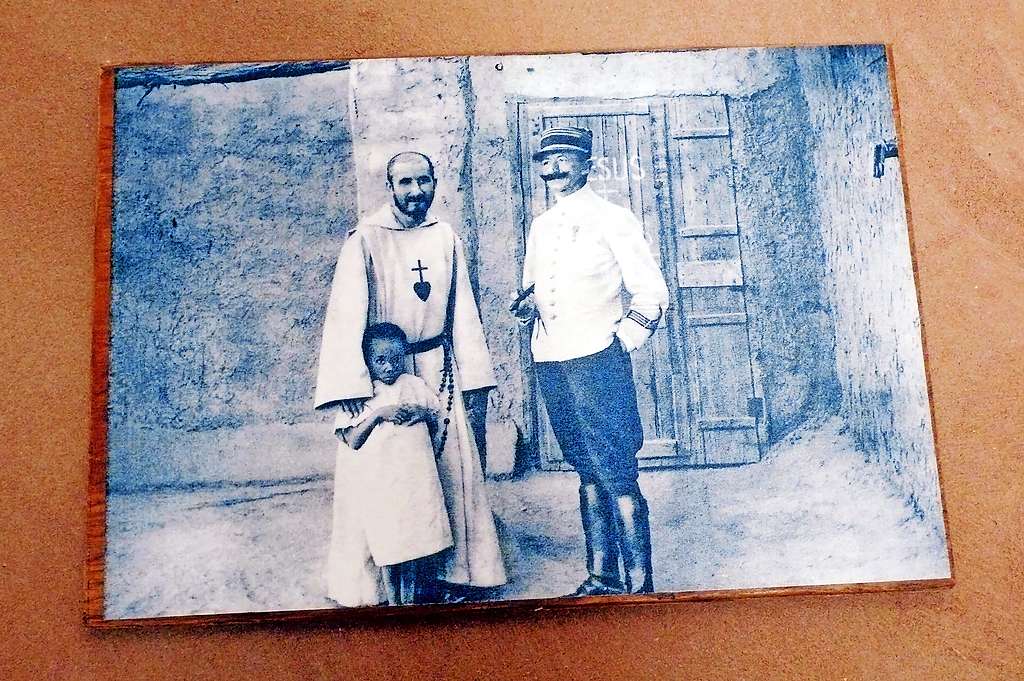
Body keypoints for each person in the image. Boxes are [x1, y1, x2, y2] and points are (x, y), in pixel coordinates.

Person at [316, 151, 506, 606]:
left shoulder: (445, 238)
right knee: (388, 479)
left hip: (437, 371)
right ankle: (377, 585)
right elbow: (346, 319)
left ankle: (457, 575)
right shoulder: (365, 239)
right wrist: (357, 394)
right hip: (385, 376)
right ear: (390, 187)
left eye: (424, 181)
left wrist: (474, 376)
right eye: (406, 183)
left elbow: (463, 312)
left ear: (435, 182)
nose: (416, 192)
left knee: (448, 472)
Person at [511, 126, 669, 596]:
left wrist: (623, 338)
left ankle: (639, 587)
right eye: (547, 160)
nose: (554, 168)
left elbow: (651, 289)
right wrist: (528, 306)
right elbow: (537, 292)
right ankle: (602, 577)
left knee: (616, 467)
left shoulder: (614, 218)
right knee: (584, 466)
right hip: (552, 359)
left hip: (598, 358)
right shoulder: (540, 227)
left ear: (587, 165)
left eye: (565, 158)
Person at [333, 322, 452, 606]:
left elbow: (436, 417)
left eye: (395, 359)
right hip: (382, 484)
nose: (388, 367)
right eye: (380, 361)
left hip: (413, 481)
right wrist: (379, 414)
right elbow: (352, 439)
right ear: (368, 361)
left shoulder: (413, 385)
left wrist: (420, 412)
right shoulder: (360, 396)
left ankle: (408, 604)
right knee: (387, 543)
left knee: (412, 542)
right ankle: (393, 603)